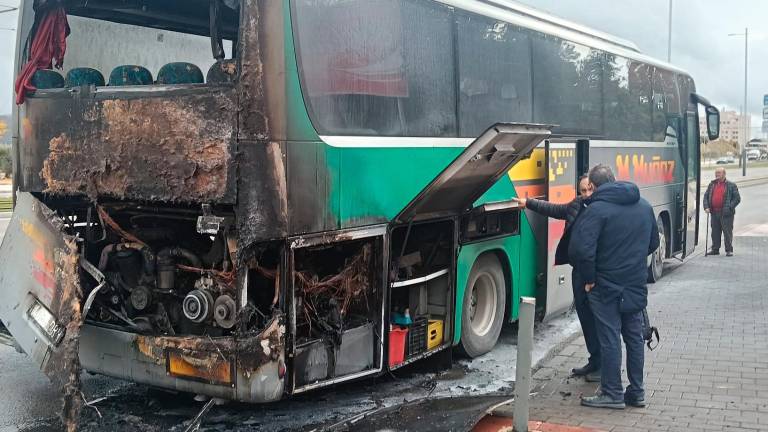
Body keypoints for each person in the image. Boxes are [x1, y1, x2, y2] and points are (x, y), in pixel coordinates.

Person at [569, 165, 659, 410]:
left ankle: (612, 393)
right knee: (634, 338)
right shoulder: (644, 205)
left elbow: (582, 251)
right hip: (635, 284)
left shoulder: (596, 210)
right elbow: (653, 242)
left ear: (596, 187)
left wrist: (589, 279)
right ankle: (637, 392)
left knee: (609, 339)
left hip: (605, 287)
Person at [512, 175, 601, 381]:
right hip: (578, 271)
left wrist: (592, 277)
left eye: (590, 190)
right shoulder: (577, 205)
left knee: (598, 321)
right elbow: (556, 209)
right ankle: (595, 360)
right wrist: (529, 203)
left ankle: (602, 367)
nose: (586, 194)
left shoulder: (602, 210)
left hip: (595, 274)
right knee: (585, 318)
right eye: (582, 191)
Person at [703, 167, 740, 257]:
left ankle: (729, 250)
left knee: (727, 232)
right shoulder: (712, 184)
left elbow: (737, 199)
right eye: (716, 173)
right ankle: (715, 249)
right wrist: (706, 207)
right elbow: (706, 196)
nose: (717, 174)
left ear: (724, 174)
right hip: (714, 212)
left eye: (719, 173)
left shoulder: (731, 185)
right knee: (715, 232)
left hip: (726, 214)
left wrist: (729, 207)